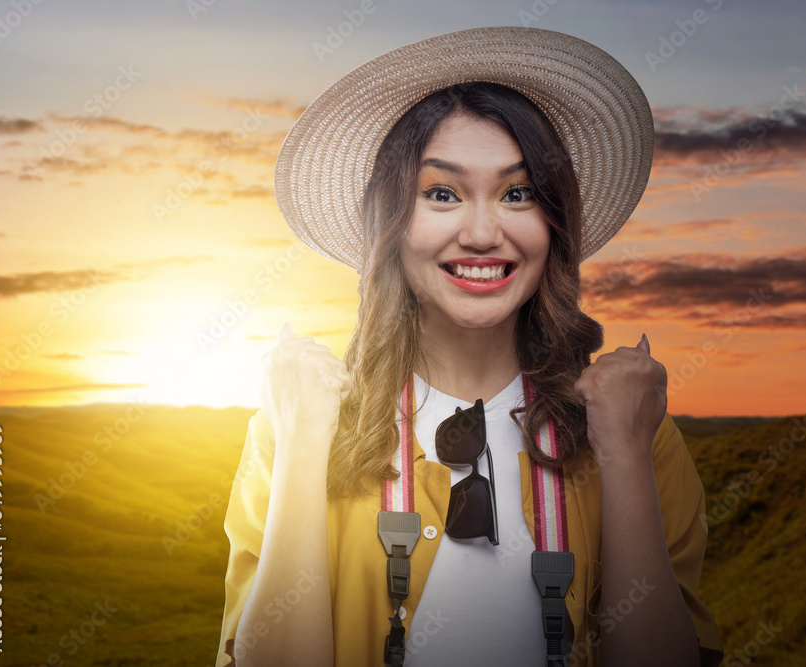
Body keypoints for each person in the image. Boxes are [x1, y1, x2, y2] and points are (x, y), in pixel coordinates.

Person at [216, 26, 724, 667]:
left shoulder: (636, 430)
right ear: (389, 226)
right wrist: (301, 446)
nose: (483, 233)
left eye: (518, 193)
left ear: (553, 224)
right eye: (441, 194)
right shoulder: (293, 427)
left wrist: (623, 454)